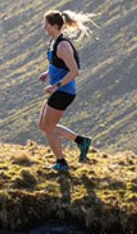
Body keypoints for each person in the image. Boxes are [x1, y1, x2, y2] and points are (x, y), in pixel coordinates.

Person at [37, 10, 96, 172]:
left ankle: (61, 163)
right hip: (58, 91)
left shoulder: (63, 45)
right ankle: (81, 141)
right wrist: (47, 73)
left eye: (46, 25)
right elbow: (57, 64)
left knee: (48, 127)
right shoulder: (54, 42)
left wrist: (56, 85)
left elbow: (74, 71)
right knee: (43, 125)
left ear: (55, 26)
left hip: (64, 92)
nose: (44, 28)